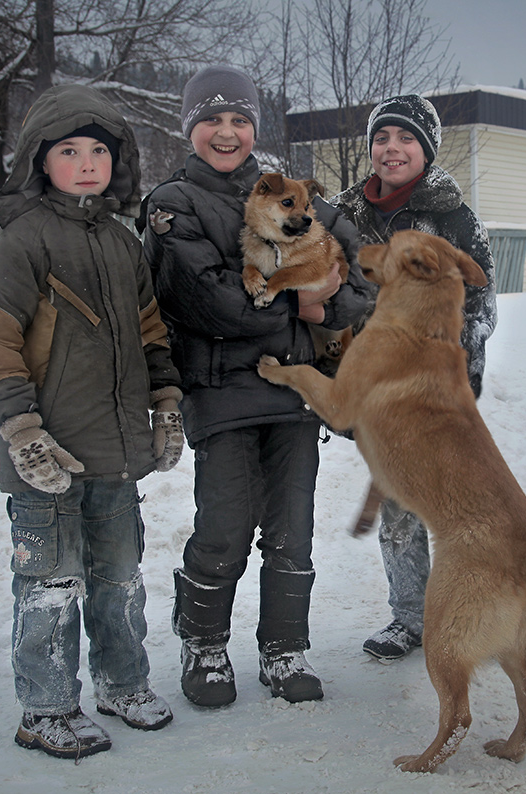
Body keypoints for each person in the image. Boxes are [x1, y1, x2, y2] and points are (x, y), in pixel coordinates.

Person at [0, 83, 185, 759]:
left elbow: (150, 334)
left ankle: (122, 682)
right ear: (39, 160)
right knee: (51, 583)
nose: (87, 162)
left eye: (99, 151)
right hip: (47, 460)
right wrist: (21, 431)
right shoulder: (21, 243)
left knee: (119, 577)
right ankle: (47, 706)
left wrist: (166, 405)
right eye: (68, 151)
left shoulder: (121, 244)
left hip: (115, 456)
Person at [140, 66, 372, 707]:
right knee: (224, 527)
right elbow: (206, 301)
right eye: (212, 120)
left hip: (295, 392)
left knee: (293, 528)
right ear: (191, 128)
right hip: (220, 393)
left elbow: (363, 286)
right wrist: (301, 302)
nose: (226, 132)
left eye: (239, 120)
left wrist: (326, 311)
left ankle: (284, 648)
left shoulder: (297, 196)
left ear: (255, 129)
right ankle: (205, 646)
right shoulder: (173, 203)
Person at [330, 94, 498, 661]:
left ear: (425, 149)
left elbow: (478, 313)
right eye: (382, 138)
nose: (391, 149)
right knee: (399, 507)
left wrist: (458, 393)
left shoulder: (452, 218)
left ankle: (463, 613)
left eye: (405, 139)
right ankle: (410, 618)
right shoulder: (343, 214)